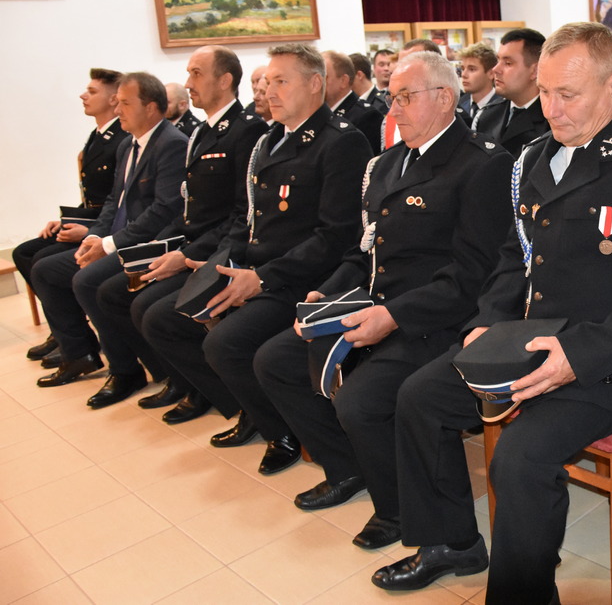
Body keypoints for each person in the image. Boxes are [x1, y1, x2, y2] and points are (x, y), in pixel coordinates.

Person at [372, 22, 612, 603]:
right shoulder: (538, 154)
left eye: (568, 95)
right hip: (529, 340)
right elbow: (516, 256)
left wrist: (576, 357)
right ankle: (451, 542)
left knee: (521, 459)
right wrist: (488, 320)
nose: (551, 109)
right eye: (546, 92)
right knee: (420, 397)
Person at [254, 52, 512, 544]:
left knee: (362, 402)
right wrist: (328, 292)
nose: (393, 110)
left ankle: (400, 512)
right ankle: (352, 468)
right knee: (275, 361)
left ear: (445, 98)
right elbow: (366, 249)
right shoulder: (388, 163)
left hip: (434, 318)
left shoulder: (482, 164)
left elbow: (472, 275)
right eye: (392, 97)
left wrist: (392, 316)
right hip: (375, 304)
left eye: (405, 97)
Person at [140, 43, 372, 475]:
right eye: (267, 82)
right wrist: (222, 263)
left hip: (306, 279)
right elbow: (249, 220)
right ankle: (258, 413)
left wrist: (261, 278)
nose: (269, 91)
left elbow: (335, 237)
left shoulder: (341, 141)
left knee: (225, 343)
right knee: (168, 315)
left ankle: (285, 432)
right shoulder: (270, 140)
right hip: (260, 269)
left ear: (315, 84)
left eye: (281, 81)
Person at [90, 46, 267, 411]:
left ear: (225, 80)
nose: (187, 83)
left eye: (196, 73)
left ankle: (219, 396)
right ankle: (181, 379)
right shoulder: (202, 132)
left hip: (220, 251)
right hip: (193, 243)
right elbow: (189, 209)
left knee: (152, 311)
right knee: (113, 291)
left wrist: (185, 256)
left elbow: (241, 214)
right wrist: (159, 246)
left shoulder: (246, 130)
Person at [31, 73, 188, 392]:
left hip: (149, 243)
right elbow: (114, 202)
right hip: (118, 238)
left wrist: (109, 244)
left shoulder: (171, 143)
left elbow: (164, 210)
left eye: (125, 104)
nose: (118, 111)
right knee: (45, 269)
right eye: (117, 103)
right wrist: (94, 237)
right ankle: (80, 353)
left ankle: (128, 370)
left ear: (151, 108)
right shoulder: (128, 145)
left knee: (88, 281)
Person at [16, 68, 130, 365]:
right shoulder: (97, 136)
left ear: (113, 98)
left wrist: (87, 229)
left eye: (92, 91)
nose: (83, 95)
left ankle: (75, 340)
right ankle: (65, 328)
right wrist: (69, 220)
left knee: (43, 261)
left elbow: (119, 202)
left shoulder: (121, 139)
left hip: (106, 228)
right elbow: (95, 196)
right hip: (94, 221)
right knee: (24, 253)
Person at [472, 28, 550, 154]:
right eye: (498, 60)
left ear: (535, 70)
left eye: (508, 63)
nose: (496, 69)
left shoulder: (552, 118)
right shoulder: (487, 116)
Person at [323, 50, 384, 150]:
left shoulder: (366, 116)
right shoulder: (323, 113)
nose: (318, 84)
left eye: (324, 77)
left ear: (343, 81)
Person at [456, 42, 503, 126]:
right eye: (463, 69)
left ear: (491, 73)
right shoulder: (458, 105)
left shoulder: (504, 107)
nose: (464, 75)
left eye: (472, 69)